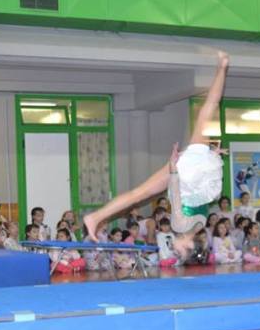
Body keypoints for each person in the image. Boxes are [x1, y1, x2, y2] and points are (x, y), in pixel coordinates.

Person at [84, 51, 229, 258]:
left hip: (198, 176)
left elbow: (202, 198)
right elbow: (177, 196)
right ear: (188, 245)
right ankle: (95, 217)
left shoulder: (198, 226)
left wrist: (211, 157)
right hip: (186, 177)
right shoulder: (182, 227)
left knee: (210, 108)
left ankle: (222, 66)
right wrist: (173, 168)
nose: (176, 250)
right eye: (181, 251)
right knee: (137, 194)